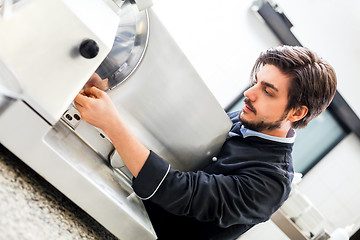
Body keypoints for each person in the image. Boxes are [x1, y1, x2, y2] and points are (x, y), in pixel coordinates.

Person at [74, 45, 337, 240]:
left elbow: (180, 192)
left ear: (297, 113)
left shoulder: (271, 183)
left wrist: (112, 123)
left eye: (267, 91)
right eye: (255, 83)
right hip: (130, 213)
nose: (249, 94)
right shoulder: (242, 120)